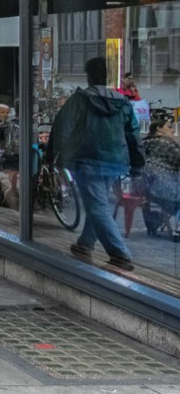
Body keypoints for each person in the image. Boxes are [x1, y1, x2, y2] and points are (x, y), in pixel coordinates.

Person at [47, 56, 144, 271]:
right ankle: (85, 245)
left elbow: (62, 127)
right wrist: (137, 164)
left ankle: (119, 253)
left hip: (86, 160)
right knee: (97, 202)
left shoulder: (80, 100)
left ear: (89, 76)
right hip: (115, 162)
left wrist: (52, 157)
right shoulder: (124, 103)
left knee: (97, 205)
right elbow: (133, 135)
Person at [143, 117, 180, 238]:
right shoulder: (167, 144)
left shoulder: (144, 143)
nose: (172, 131)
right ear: (159, 129)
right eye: (169, 127)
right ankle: (178, 228)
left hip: (144, 187)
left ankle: (159, 219)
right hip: (164, 186)